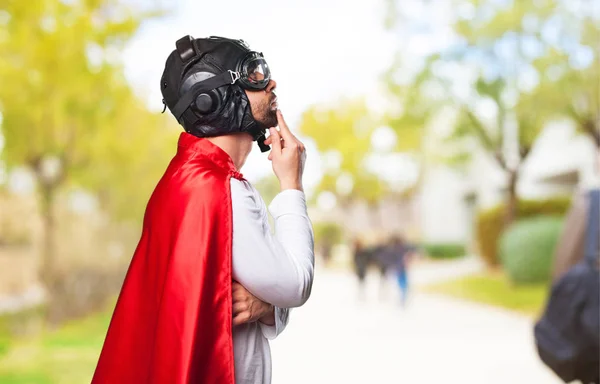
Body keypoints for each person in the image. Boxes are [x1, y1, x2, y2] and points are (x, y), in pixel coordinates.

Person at [92, 35, 315, 384]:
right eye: (253, 75)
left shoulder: (184, 179)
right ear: (212, 100)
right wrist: (292, 184)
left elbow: (270, 293)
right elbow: (295, 285)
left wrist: (269, 307)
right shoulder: (222, 191)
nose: (271, 83)